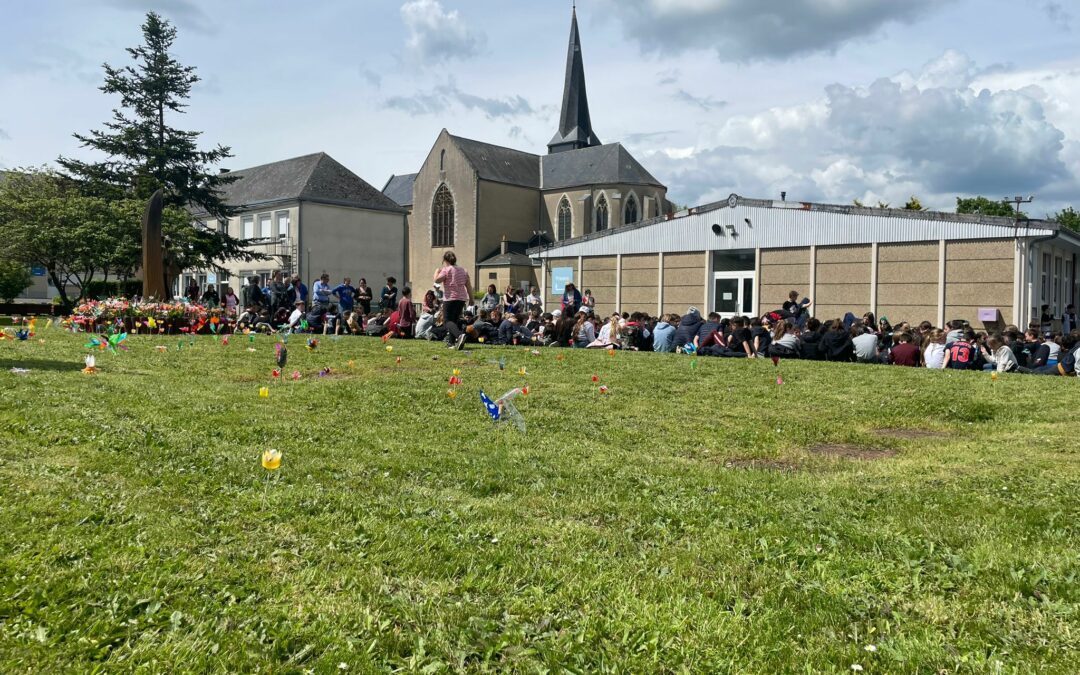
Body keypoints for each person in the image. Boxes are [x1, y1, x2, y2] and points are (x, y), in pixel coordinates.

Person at [434, 252, 471, 350]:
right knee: (454, 321)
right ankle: (451, 343)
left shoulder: (446, 270)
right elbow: (468, 286)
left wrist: (437, 271)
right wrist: (471, 298)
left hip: (450, 298)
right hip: (462, 298)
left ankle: (459, 336)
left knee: (447, 322)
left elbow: (437, 280)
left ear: (445, 260)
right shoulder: (463, 270)